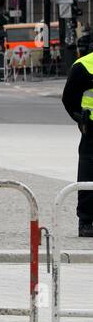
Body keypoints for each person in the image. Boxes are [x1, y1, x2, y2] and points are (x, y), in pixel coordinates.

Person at [63, 50, 93, 237]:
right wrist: (81, 120)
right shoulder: (83, 66)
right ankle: (87, 221)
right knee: (89, 174)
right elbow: (69, 99)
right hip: (92, 131)